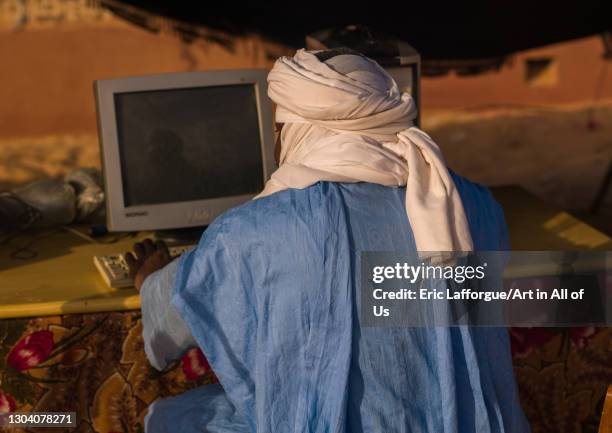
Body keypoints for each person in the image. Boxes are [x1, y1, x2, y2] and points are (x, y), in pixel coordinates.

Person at [126, 48, 530, 433]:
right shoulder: (474, 205)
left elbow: (181, 311)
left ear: (291, 130)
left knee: (168, 417)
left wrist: (150, 278)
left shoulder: (254, 231)